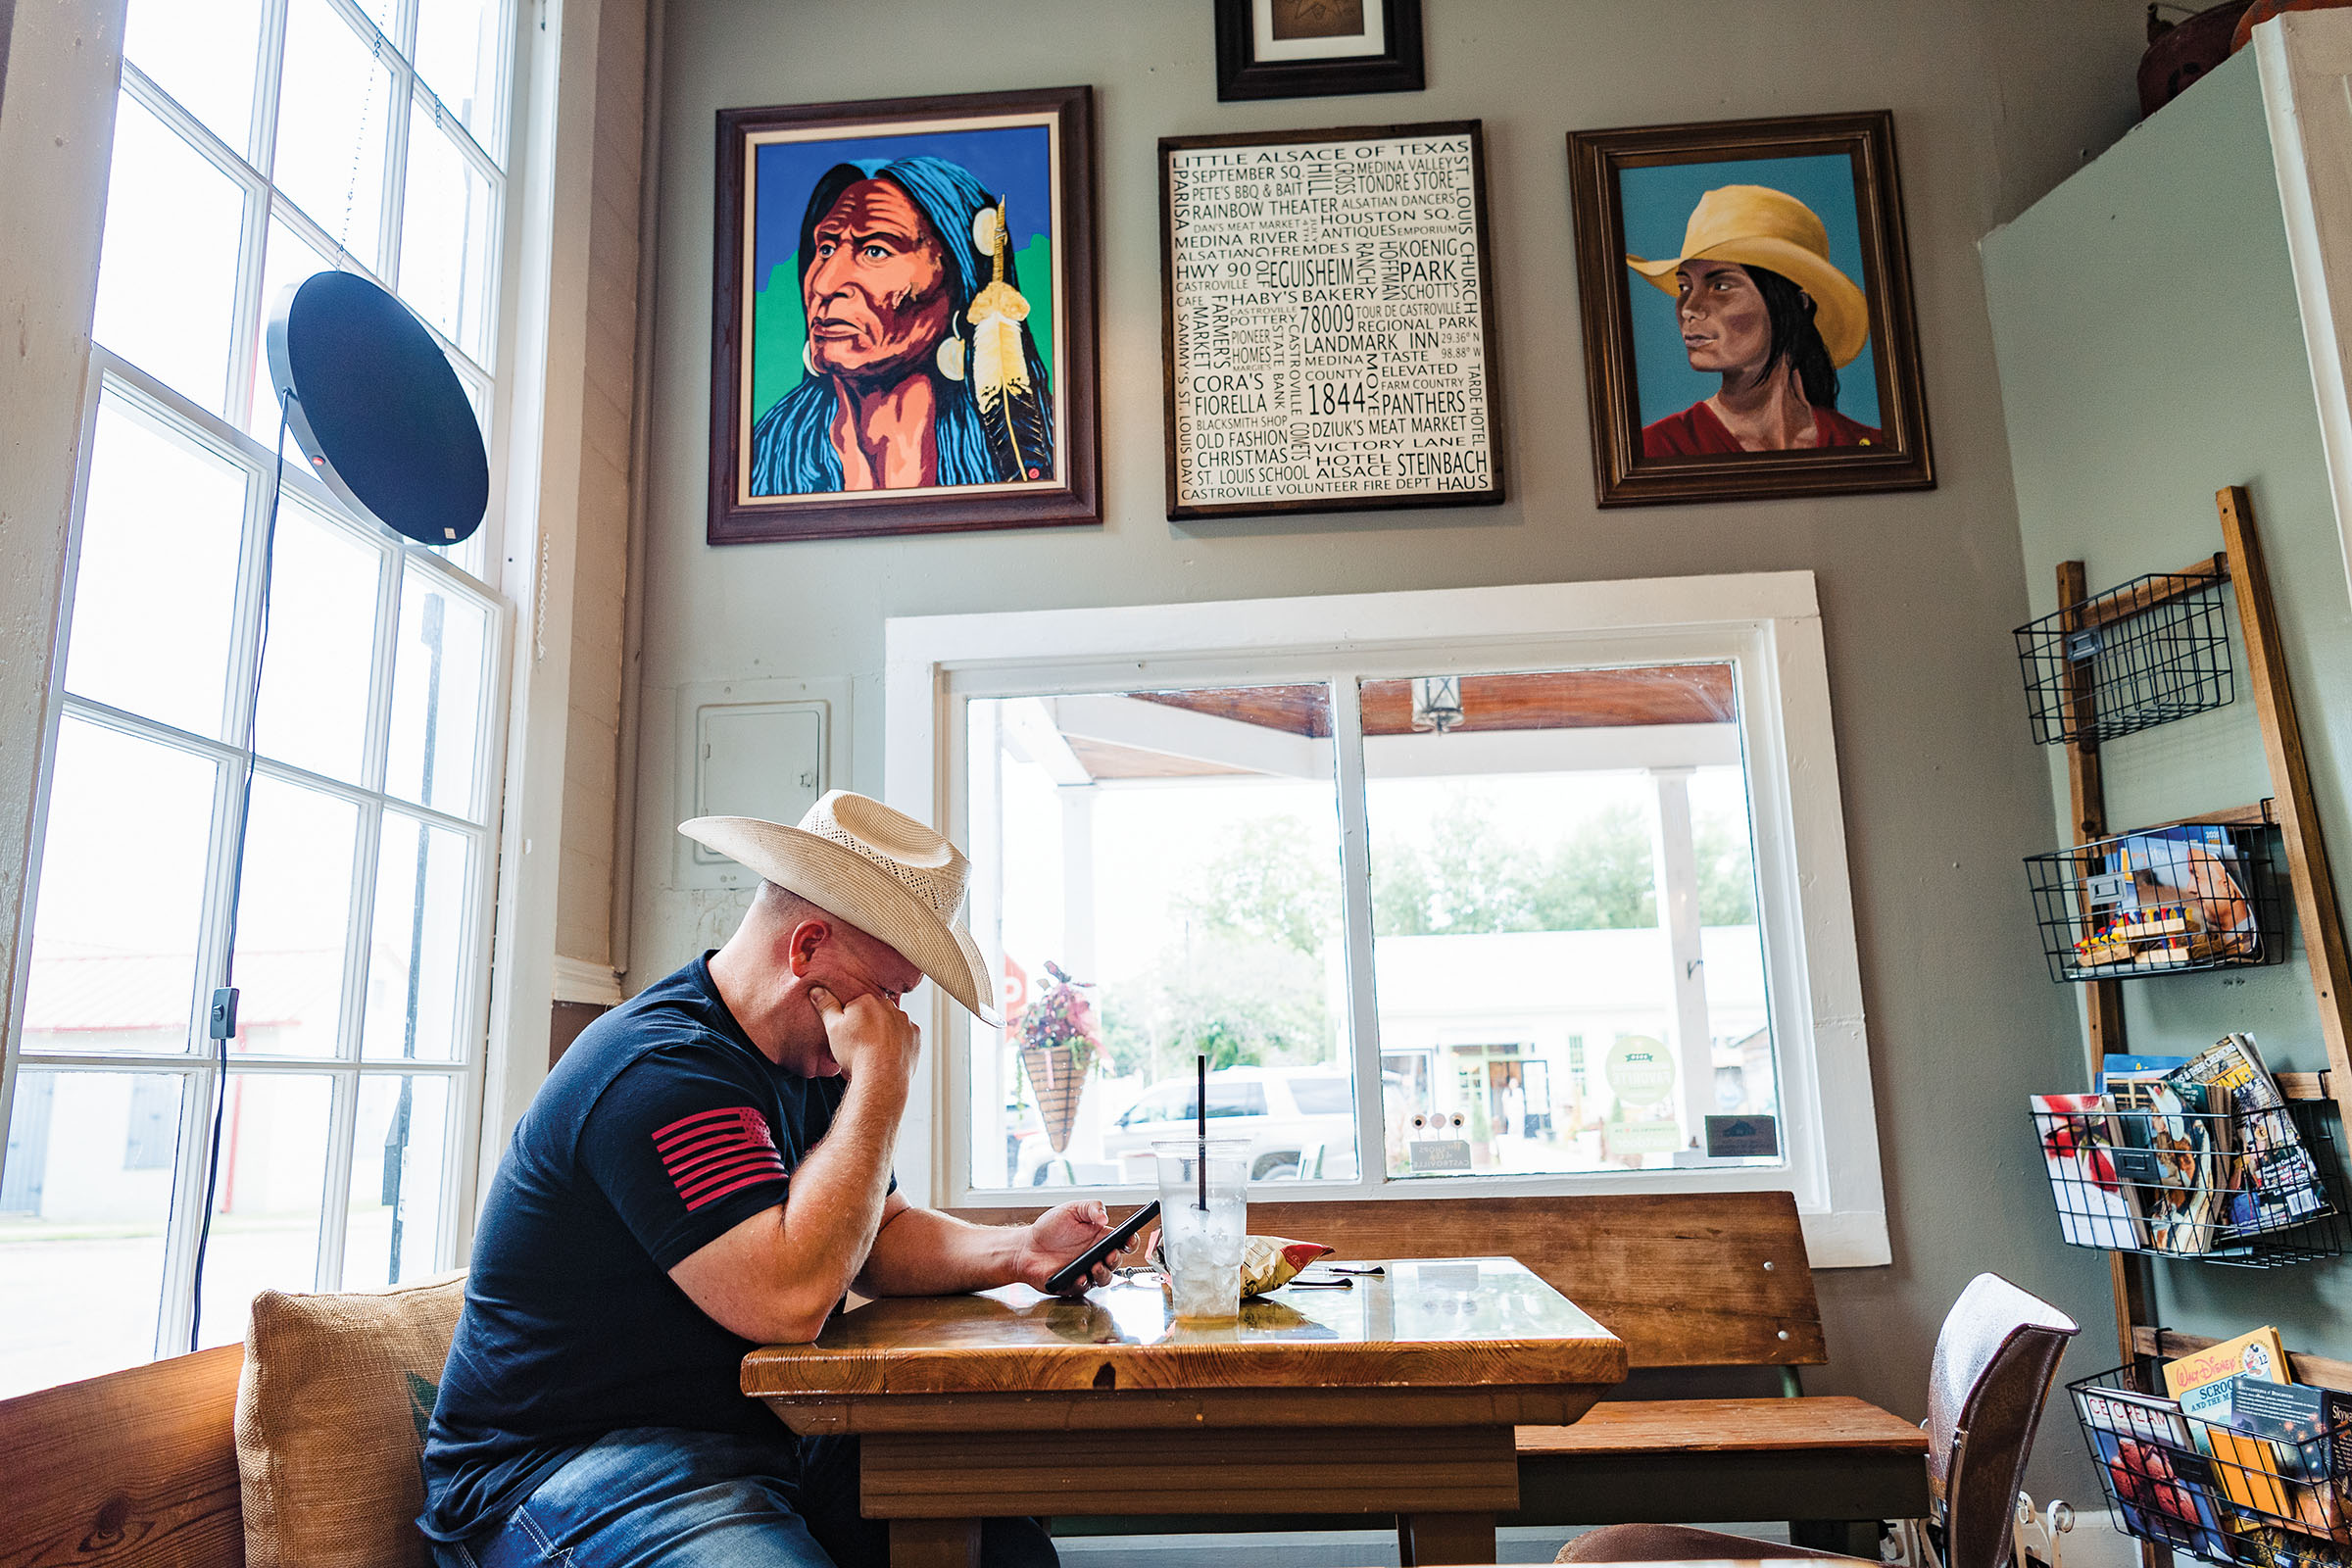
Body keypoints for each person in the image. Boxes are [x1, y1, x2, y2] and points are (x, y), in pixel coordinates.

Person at [418, 792, 1127, 1568]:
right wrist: (883, 1082)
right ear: (808, 947)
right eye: (887, 992)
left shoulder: (810, 1060)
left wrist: (1021, 1251)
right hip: (564, 1470)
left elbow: (876, 1236)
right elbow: (788, 1301)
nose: (895, 1021)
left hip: (755, 1440)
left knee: (1004, 1548)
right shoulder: (661, 1073)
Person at [749, 156, 1054, 496]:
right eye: (826, 247)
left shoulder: (1028, 454)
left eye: (876, 251)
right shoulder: (768, 457)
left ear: (960, 280)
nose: (825, 283)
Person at [1626, 184, 1884, 456]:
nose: (1689, 308)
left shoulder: (1865, 447)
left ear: (1798, 305)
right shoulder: (1656, 449)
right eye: (1684, 287)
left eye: (1721, 287)